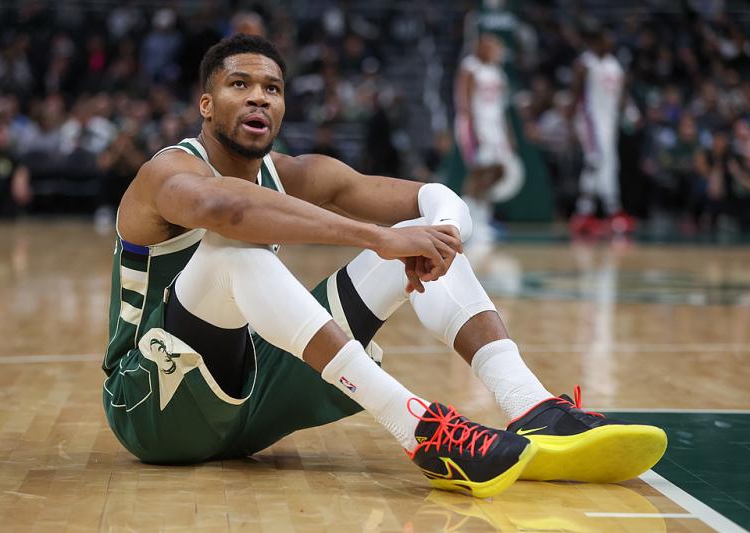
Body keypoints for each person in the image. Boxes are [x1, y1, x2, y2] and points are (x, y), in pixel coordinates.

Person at [102, 34, 666, 498]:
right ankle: (419, 428)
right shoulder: (168, 172)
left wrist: (438, 235)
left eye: (272, 88)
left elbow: (433, 198)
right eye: (239, 85)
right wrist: (375, 237)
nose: (259, 99)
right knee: (233, 250)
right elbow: (226, 210)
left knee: (418, 236)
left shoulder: (290, 171)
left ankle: (531, 405)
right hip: (153, 408)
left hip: (250, 400)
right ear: (206, 104)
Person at [569, 30, 634, 236]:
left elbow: (621, 95)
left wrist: (630, 113)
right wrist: (570, 121)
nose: (609, 44)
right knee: (595, 162)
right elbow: (575, 92)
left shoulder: (615, 65)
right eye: (605, 41)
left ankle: (607, 211)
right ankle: (585, 213)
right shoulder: (585, 63)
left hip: (609, 122)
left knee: (610, 165)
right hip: (591, 121)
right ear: (596, 42)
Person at [454, 34, 517, 243]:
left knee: (498, 170)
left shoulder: (498, 72)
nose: (498, 53)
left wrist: (508, 134)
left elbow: (502, 107)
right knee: (479, 172)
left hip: (495, 126)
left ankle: (481, 216)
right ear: (481, 48)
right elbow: (463, 101)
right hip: (476, 125)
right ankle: (470, 218)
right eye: (494, 48)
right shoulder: (470, 67)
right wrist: (473, 130)